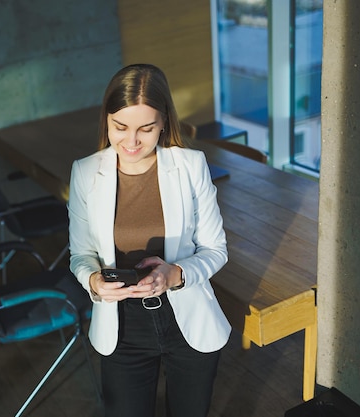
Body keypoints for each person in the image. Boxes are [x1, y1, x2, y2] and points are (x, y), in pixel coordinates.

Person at [68, 63, 231, 417]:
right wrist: (93, 280)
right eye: (120, 127)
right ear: (106, 120)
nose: (131, 142)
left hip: (187, 320)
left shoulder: (190, 166)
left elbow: (216, 250)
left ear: (163, 123)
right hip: (122, 328)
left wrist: (175, 274)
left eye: (146, 128)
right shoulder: (85, 172)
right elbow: (80, 254)